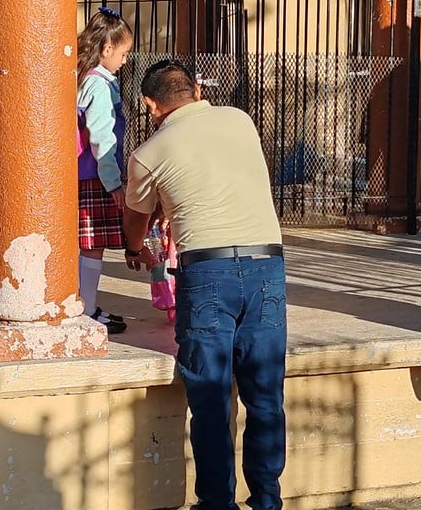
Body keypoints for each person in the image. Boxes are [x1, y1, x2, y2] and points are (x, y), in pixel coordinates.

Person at [122, 61, 287, 510]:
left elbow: (136, 222)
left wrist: (135, 248)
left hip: (207, 274)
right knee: (266, 395)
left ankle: (217, 503)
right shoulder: (240, 119)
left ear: (149, 104)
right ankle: (268, 500)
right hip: (267, 267)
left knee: (211, 399)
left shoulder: (147, 153)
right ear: (196, 89)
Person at [76, 6, 133, 335]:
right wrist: (113, 183)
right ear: (107, 49)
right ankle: (88, 307)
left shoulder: (85, 77)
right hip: (95, 174)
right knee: (92, 243)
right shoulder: (100, 85)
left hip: (84, 172)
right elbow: (101, 137)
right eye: (123, 53)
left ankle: (85, 303)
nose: (125, 60)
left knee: (84, 244)